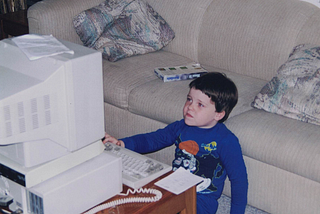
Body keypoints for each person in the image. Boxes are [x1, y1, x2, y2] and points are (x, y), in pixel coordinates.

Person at [103, 72, 248, 214]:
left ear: (218, 114)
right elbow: (154, 139)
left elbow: (239, 181)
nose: (190, 107)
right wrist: (122, 144)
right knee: (136, 203)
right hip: (171, 187)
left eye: (200, 105)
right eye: (189, 99)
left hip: (201, 199)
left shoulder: (226, 141)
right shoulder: (180, 127)